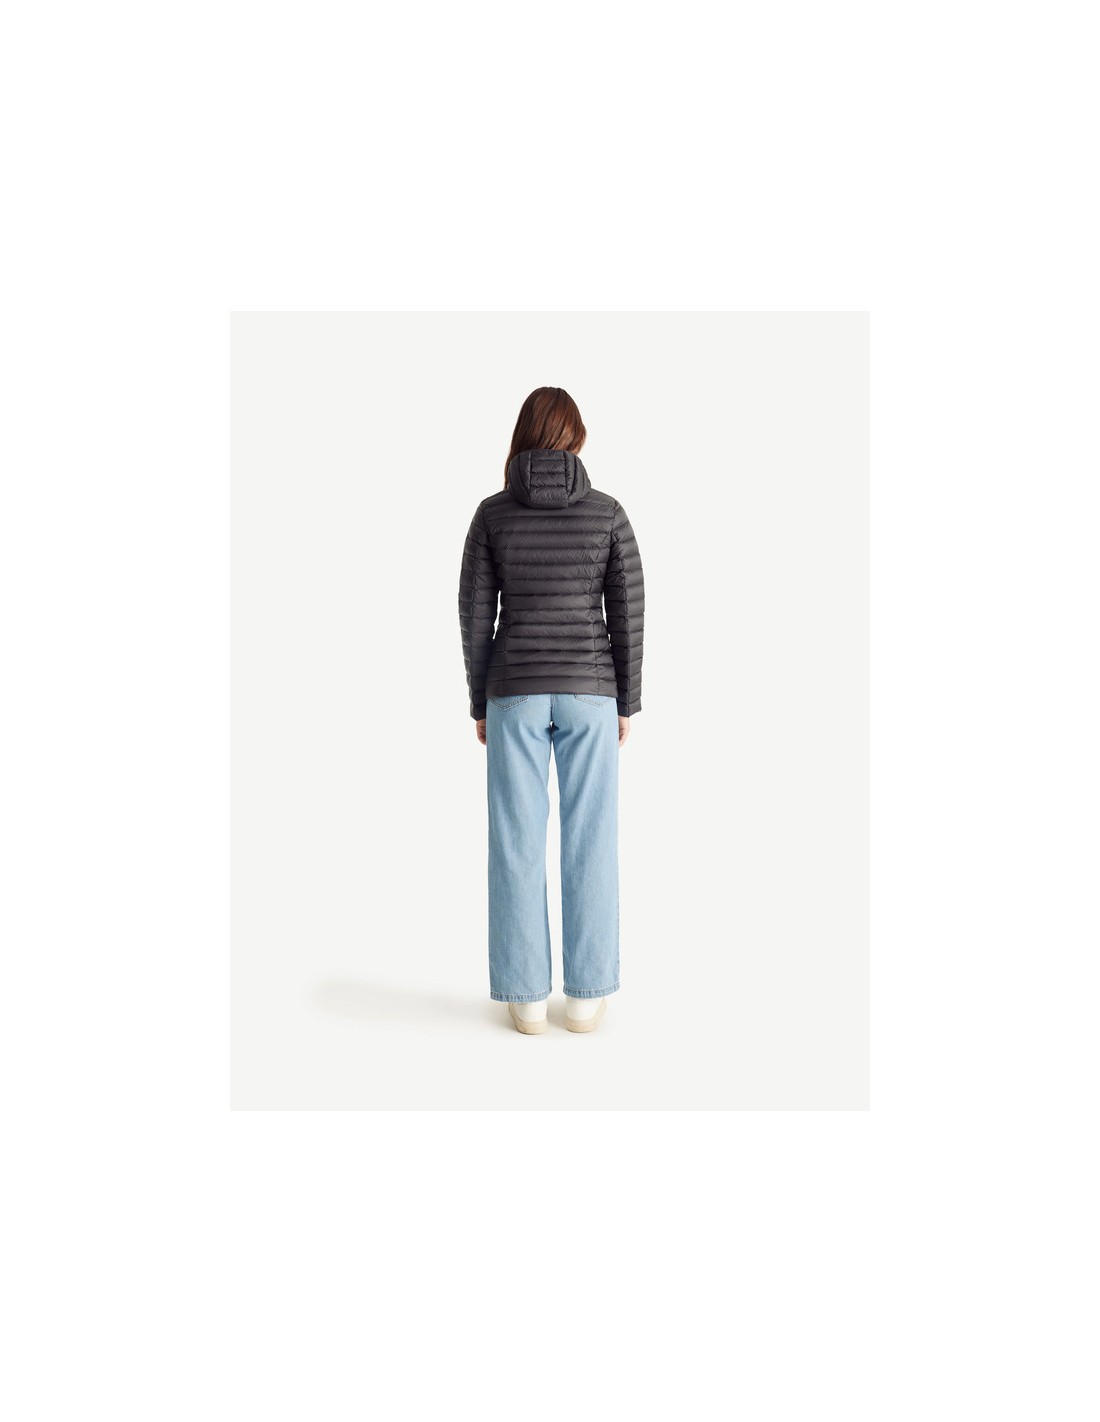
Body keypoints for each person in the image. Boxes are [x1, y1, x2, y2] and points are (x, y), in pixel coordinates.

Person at [458, 387, 645, 1035]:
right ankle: (586, 1000)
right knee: (591, 838)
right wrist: (627, 700)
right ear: (576, 438)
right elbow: (627, 611)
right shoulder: (607, 513)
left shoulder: (491, 515)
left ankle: (527, 1000)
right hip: (591, 689)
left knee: (515, 841)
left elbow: (475, 614)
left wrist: (480, 699)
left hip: (513, 688)